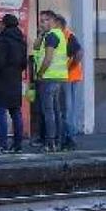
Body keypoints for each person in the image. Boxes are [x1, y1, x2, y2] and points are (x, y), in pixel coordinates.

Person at [0, 13, 28, 154]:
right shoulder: (21, 41)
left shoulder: (3, 40)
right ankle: (17, 145)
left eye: (1, 23)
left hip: (1, 81)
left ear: (5, 24)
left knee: (0, 112)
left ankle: (1, 143)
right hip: (15, 80)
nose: (0, 26)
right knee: (16, 112)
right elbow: (24, 63)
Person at [33, 10, 74, 152]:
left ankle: (50, 142)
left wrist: (40, 73)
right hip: (60, 78)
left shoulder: (51, 36)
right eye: (41, 21)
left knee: (48, 111)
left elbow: (48, 58)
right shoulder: (58, 35)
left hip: (48, 78)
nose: (41, 23)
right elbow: (35, 47)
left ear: (52, 21)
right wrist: (41, 33)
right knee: (56, 111)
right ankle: (59, 141)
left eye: (45, 20)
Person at [59, 14, 86, 138]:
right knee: (69, 105)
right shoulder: (65, 35)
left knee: (68, 105)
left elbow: (79, 53)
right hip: (69, 75)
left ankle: (69, 132)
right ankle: (70, 130)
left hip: (69, 76)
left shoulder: (68, 36)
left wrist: (69, 67)